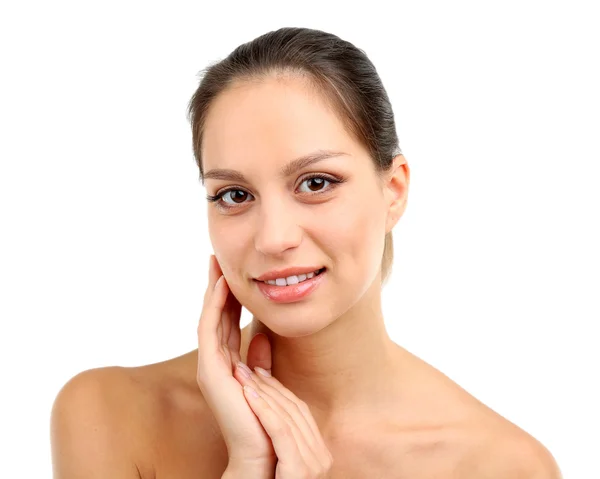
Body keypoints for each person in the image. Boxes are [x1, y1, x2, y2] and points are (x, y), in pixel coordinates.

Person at [50, 27, 562, 478]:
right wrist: (249, 468)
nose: (274, 238)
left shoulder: (503, 467)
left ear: (394, 190)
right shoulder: (110, 417)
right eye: (234, 195)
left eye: (316, 182)